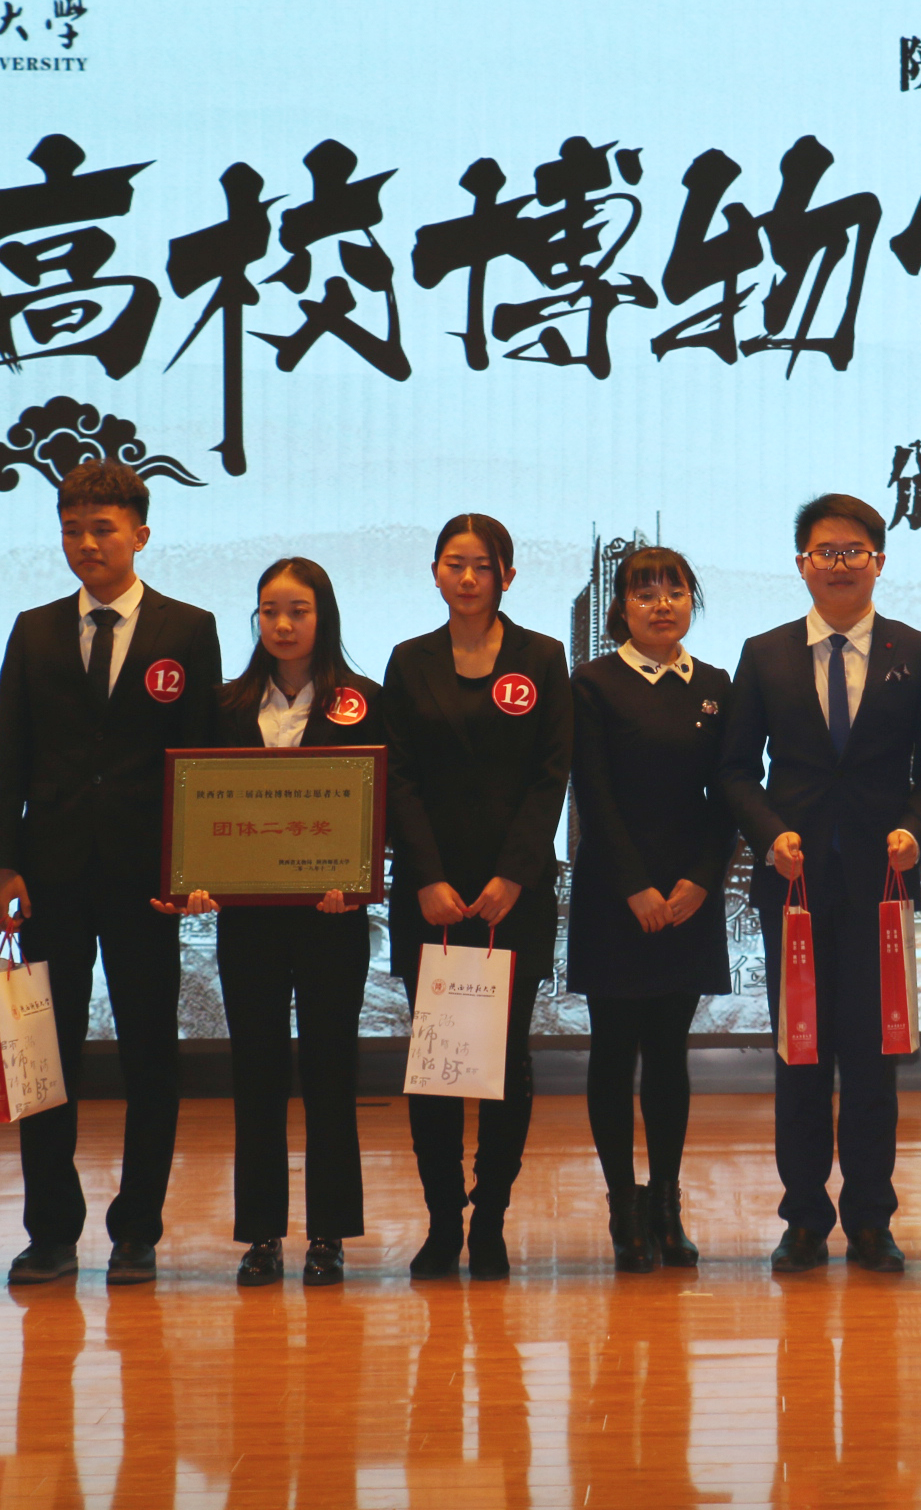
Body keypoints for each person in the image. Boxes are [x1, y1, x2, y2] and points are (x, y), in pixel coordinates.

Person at [0, 460, 222, 1287]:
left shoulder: (188, 630)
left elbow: (200, 759)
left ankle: (138, 1231)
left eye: (102, 529)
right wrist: (3, 863)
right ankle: (51, 1232)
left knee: (151, 1056)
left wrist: (194, 869)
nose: (86, 543)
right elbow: (9, 753)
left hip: (145, 879)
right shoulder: (34, 630)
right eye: (72, 529)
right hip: (49, 875)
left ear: (140, 535)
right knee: (45, 1059)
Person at [717, 493, 921, 1275]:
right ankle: (804, 1220)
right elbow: (734, 770)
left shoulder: (917, 652)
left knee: (873, 1062)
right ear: (802, 564)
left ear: (878, 561)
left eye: (855, 551)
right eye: (826, 551)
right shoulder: (765, 653)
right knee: (801, 1060)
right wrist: (768, 834)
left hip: (882, 889)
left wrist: (915, 830)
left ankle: (872, 1219)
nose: (841, 564)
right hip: (795, 891)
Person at [169, 557, 385, 1288]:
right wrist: (197, 878)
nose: (284, 625)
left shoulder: (364, 700)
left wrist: (358, 876)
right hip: (250, 922)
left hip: (333, 920)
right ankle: (260, 1233)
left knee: (332, 1072)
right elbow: (201, 806)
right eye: (270, 611)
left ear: (324, 616)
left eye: (299, 610)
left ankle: (329, 1233)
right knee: (256, 1073)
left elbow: (382, 805)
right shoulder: (225, 704)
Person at [384, 513, 572, 1281]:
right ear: (435, 572)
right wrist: (426, 876)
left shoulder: (543, 657)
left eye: (483, 566)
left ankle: (489, 1219)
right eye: (454, 564)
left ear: (507, 576)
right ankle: (441, 1223)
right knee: (435, 1063)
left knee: (504, 1061)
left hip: (512, 896)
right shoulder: (409, 660)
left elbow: (552, 774)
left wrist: (513, 875)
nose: (468, 578)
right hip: (429, 895)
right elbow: (398, 778)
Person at [567, 546, 737, 1274]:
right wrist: (634, 886)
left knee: (669, 1052)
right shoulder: (593, 683)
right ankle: (623, 1208)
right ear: (621, 608)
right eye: (645, 593)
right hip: (616, 894)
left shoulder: (717, 685)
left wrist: (701, 879)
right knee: (613, 1050)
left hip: (688, 894)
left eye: (675, 591)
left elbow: (729, 792)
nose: (662, 605)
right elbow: (593, 792)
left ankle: (666, 1203)